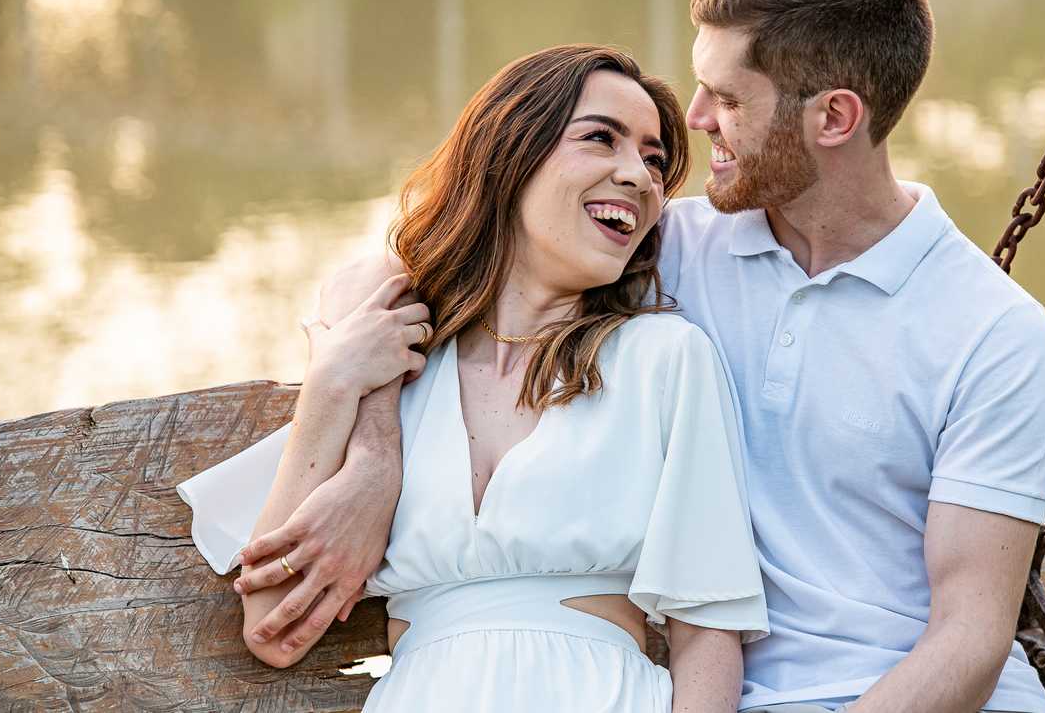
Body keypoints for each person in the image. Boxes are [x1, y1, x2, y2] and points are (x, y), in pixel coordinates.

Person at [232, 0, 1045, 713]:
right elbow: (407, 262)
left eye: (727, 97)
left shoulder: (992, 333)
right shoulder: (665, 250)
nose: (696, 120)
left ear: (835, 118)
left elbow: (970, 636)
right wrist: (377, 444)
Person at [179, 45, 770, 713]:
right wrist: (341, 400)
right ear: (511, 152)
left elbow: (707, 638)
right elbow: (272, 625)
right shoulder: (398, 367)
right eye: (601, 139)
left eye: (655, 160)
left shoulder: (665, 359)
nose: (638, 176)